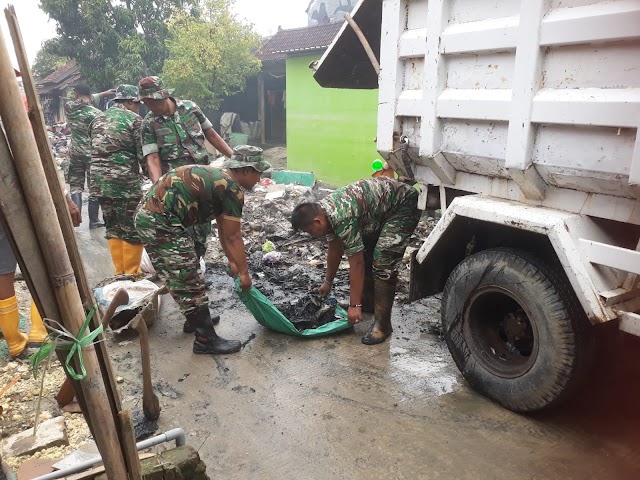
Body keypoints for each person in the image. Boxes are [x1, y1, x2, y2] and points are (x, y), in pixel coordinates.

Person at [135, 145, 271, 355]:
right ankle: (205, 339)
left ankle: (195, 320)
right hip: (159, 222)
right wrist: (244, 273)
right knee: (187, 276)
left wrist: (233, 261)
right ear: (246, 170)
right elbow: (233, 236)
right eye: (258, 174)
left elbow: (224, 229)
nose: (259, 180)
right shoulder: (231, 188)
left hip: (155, 218)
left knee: (184, 274)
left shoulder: (219, 178)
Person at [291, 177, 421, 345]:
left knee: (383, 261)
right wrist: (328, 282)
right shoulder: (325, 214)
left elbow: (356, 263)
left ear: (317, 221)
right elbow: (335, 247)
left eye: (309, 231)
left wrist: (354, 306)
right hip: (381, 209)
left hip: (403, 205)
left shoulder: (340, 216)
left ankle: (383, 325)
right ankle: (368, 302)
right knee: (367, 251)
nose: (310, 235)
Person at [138, 76, 234, 260]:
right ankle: (189, 271)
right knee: (182, 227)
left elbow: (211, 134)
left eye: (153, 101)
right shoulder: (149, 124)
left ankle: (198, 263)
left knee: (202, 226)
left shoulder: (191, 108)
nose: (150, 106)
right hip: (177, 186)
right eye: (146, 102)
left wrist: (235, 158)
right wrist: (158, 187)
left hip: (203, 179)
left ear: (164, 95)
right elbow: (153, 158)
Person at [0, 197, 81, 358]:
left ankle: (14, 342)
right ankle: (39, 331)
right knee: (40, 261)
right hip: (19, 197)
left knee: (2, 270)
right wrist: (64, 197)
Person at [89, 84, 145, 276]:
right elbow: (143, 155)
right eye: (137, 104)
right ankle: (132, 273)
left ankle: (119, 271)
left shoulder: (97, 119)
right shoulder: (135, 120)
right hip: (124, 183)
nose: (139, 108)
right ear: (130, 102)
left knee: (112, 226)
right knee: (131, 227)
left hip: (98, 182)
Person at [65, 83, 113, 229]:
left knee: (75, 185)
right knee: (94, 187)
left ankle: (76, 218)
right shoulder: (97, 114)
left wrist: (103, 93)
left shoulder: (69, 108)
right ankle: (93, 220)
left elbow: (83, 99)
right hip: (92, 154)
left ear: (76, 92)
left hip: (75, 153)